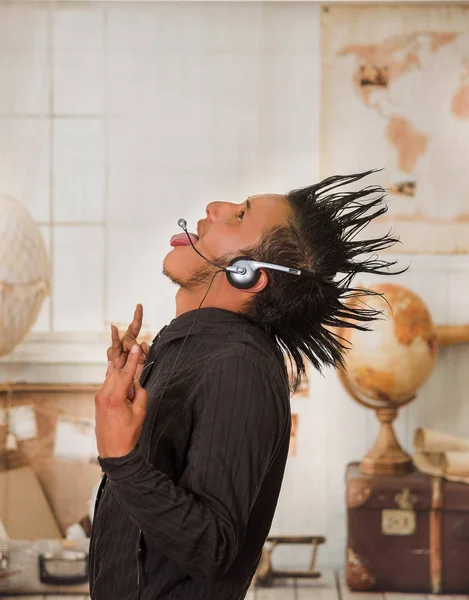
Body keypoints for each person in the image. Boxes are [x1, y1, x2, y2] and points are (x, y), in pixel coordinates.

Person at [90, 171, 402, 599]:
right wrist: (129, 404)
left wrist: (120, 458)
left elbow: (212, 548)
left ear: (246, 274)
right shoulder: (186, 347)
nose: (213, 208)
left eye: (237, 217)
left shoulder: (239, 368)